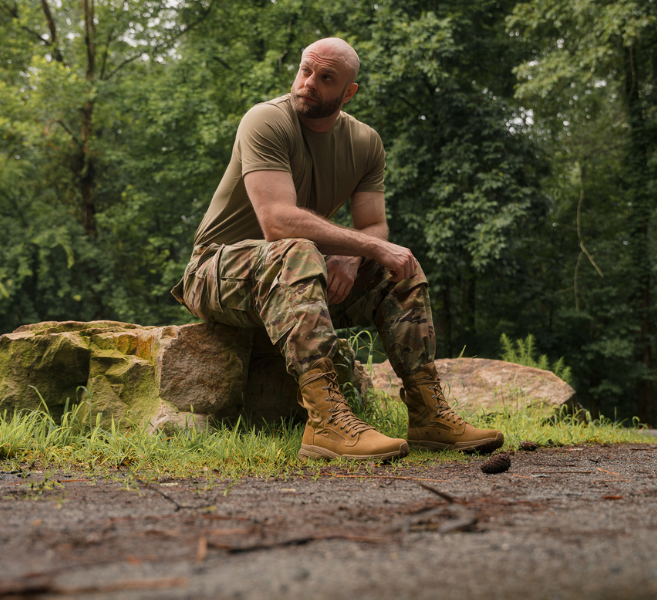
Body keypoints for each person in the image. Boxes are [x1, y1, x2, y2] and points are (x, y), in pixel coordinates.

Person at [172, 38, 504, 461]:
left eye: (325, 78)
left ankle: (429, 415)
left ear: (349, 92)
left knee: (398, 267)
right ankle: (325, 422)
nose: (308, 83)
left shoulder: (365, 143)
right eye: (305, 70)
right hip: (214, 272)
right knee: (299, 250)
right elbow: (277, 221)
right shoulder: (266, 121)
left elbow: (374, 224)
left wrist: (353, 256)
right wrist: (366, 244)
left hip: (293, 275)